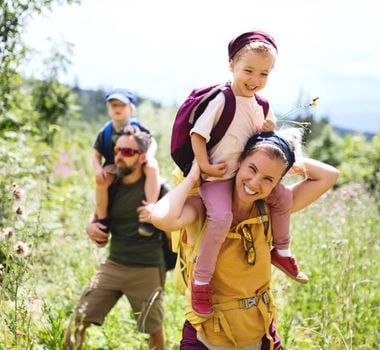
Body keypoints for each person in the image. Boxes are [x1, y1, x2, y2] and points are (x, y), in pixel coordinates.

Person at [151, 129, 339, 349]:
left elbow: (329, 175)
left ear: (277, 183)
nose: (255, 182)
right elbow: (161, 218)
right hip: (206, 338)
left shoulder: (271, 210)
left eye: (268, 178)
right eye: (252, 168)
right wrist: (193, 177)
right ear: (238, 161)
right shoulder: (203, 208)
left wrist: (283, 153)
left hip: (261, 336)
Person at [188, 29, 306, 317]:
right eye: (248, 70)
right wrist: (203, 166)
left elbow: (256, 143)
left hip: (243, 174)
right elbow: (198, 134)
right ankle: (201, 280)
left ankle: (282, 251)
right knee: (221, 217)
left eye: (264, 74)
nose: (255, 80)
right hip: (217, 177)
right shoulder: (222, 99)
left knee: (283, 199)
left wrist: (267, 128)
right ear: (232, 65)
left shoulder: (260, 105)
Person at [65, 126, 168, 350]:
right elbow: (98, 215)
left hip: (147, 267)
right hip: (114, 264)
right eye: (117, 150)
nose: (119, 156)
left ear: (142, 157)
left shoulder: (159, 187)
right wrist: (90, 226)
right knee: (77, 321)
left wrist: (157, 216)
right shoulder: (111, 185)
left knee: (154, 329)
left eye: (128, 152)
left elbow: (174, 224)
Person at [93, 88, 160, 237]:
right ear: (108, 108)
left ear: (130, 108)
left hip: (138, 163)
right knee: (101, 180)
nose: (117, 109)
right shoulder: (105, 131)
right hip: (115, 166)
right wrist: (98, 170)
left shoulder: (138, 127)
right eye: (113, 105)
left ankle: (149, 212)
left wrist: (148, 156)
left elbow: (152, 142)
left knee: (152, 167)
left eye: (121, 105)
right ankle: (103, 219)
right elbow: (96, 155)